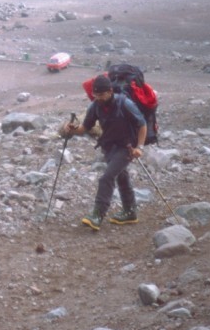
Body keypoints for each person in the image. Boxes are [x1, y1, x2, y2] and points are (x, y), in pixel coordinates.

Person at [63, 74, 147, 231]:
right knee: (122, 177)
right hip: (109, 147)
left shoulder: (125, 104)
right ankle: (130, 212)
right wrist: (73, 129)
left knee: (106, 178)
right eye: (95, 95)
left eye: (101, 95)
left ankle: (97, 215)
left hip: (127, 147)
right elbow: (85, 128)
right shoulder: (95, 106)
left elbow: (142, 125)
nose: (98, 98)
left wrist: (140, 147)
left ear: (110, 91)